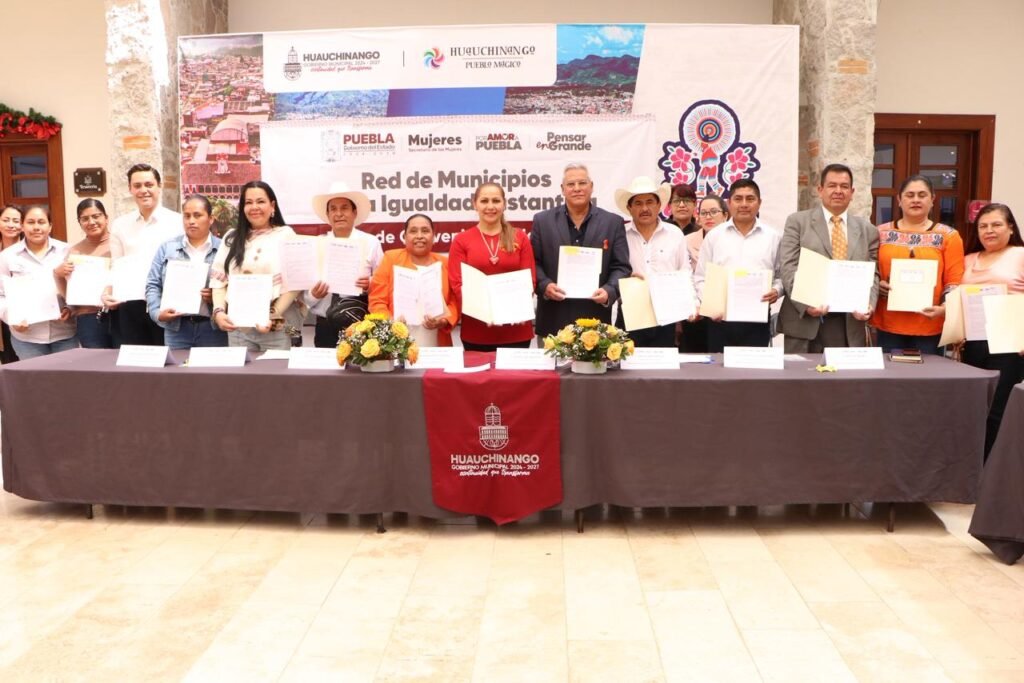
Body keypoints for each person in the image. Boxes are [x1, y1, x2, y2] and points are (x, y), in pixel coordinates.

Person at [778, 163, 878, 352]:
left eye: (844, 186)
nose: (838, 191)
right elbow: (788, 267)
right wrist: (805, 304)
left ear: (852, 192)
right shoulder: (797, 222)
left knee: (844, 372)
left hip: (848, 323)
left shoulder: (868, 230)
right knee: (801, 372)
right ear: (820, 190)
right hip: (804, 321)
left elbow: (873, 274)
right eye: (832, 185)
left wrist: (869, 304)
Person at [530, 163, 631, 340]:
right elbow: (533, 263)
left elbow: (621, 267)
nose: (577, 188)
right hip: (553, 320)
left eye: (582, 183)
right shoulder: (542, 221)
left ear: (591, 186)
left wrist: (609, 290)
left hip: (596, 322)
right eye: (571, 184)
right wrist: (545, 286)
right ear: (562, 189)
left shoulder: (612, 222)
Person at [957, 203, 1024, 457]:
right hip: (973, 344)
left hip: (1009, 345)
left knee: (998, 411)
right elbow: (958, 299)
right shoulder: (968, 259)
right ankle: (971, 467)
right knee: (973, 409)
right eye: (983, 226)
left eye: (996, 224)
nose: (989, 231)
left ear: (1010, 228)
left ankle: (993, 472)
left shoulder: (1020, 255)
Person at [870, 175, 964, 354]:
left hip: (929, 322)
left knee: (929, 372)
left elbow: (954, 280)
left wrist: (944, 308)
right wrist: (878, 283)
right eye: (910, 195)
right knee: (889, 371)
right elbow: (871, 271)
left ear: (932, 199)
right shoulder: (879, 233)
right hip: (889, 322)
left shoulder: (949, 236)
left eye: (922, 195)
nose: (915, 200)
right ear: (899, 200)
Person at [693, 178, 782, 351]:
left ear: (759, 203)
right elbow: (701, 277)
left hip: (757, 319)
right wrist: (711, 305)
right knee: (720, 367)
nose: (744, 204)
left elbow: (781, 276)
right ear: (729, 203)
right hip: (720, 320)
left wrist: (777, 290)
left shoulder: (773, 237)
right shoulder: (714, 236)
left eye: (750, 199)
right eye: (738, 199)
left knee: (754, 365)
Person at [210, 181, 298, 351]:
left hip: (276, 328)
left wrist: (272, 315)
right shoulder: (231, 237)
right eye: (248, 202)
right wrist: (219, 312)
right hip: (237, 327)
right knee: (241, 369)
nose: (254, 207)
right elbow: (219, 280)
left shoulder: (286, 235)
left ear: (272, 206)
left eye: (260, 201)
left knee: (276, 369)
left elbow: (295, 284)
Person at [449, 182, 536, 351]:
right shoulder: (461, 240)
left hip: (515, 330)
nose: (490, 206)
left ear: (504, 204)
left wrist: (507, 310)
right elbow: (457, 284)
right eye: (484, 201)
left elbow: (529, 281)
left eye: (496, 201)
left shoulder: (520, 237)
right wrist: (484, 311)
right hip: (477, 331)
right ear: (475, 204)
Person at [107, 163, 183, 345]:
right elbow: (116, 265)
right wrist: (108, 292)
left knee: (169, 358)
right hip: (131, 304)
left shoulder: (177, 222)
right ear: (130, 189)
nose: (143, 190)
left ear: (159, 186)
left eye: (149, 185)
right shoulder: (120, 225)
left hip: (166, 303)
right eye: (137, 186)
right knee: (137, 359)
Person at [303, 181, 383, 348]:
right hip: (325, 325)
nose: (338, 214)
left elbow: (384, 285)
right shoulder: (317, 245)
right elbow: (306, 296)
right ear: (328, 214)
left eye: (344, 208)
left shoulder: (371, 243)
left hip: (361, 324)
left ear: (354, 212)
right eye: (333, 209)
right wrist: (314, 295)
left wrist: (370, 284)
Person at [617, 176, 694, 347]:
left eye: (650, 202)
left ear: (659, 205)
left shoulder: (674, 234)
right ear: (629, 208)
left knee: (663, 362)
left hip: (666, 314)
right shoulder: (620, 234)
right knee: (626, 361)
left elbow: (685, 271)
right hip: (630, 313)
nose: (644, 208)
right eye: (638, 203)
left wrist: (690, 305)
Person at [145, 195, 228, 350]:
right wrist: (157, 313)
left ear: (210, 219)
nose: (191, 221)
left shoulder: (224, 249)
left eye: (197, 215)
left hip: (213, 329)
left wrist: (216, 297)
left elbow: (233, 287)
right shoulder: (167, 248)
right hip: (176, 329)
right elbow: (153, 284)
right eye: (187, 216)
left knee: (213, 366)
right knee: (177, 366)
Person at [368, 213, 459, 347]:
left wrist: (444, 320)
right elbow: (377, 301)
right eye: (413, 231)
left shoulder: (445, 263)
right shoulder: (390, 259)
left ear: (434, 237)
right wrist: (391, 323)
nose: (419, 236)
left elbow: (455, 301)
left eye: (425, 231)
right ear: (404, 237)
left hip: (437, 343)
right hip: (397, 343)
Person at [0, 206, 77, 358]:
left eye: (41, 222)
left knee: (67, 374)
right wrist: (11, 318)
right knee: (34, 375)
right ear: (22, 226)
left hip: (65, 333)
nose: (36, 227)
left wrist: (71, 308)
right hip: (27, 338)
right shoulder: (7, 256)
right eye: (30, 222)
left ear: (50, 226)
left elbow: (77, 286)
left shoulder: (66, 251)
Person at [54, 199, 118, 348]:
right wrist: (58, 274)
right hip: (89, 320)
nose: (91, 222)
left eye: (96, 216)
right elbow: (69, 296)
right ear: (79, 222)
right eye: (85, 218)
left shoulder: (119, 244)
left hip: (120, 315)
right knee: (96, 361)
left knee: (123, 360)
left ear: (106, 218)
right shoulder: (75, 251)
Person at [679, 195, 729, 353]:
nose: (708, 217)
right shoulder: (685, 240)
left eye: (713, 212)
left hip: (723, 312)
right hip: (695, 312)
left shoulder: (733, 241)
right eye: (704, 213)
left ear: (725, 215)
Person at [0, 204, 24, 363]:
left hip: (24, 316)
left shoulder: (29, 250)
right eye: (6, 220)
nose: (11, 225)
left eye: (16, 221)